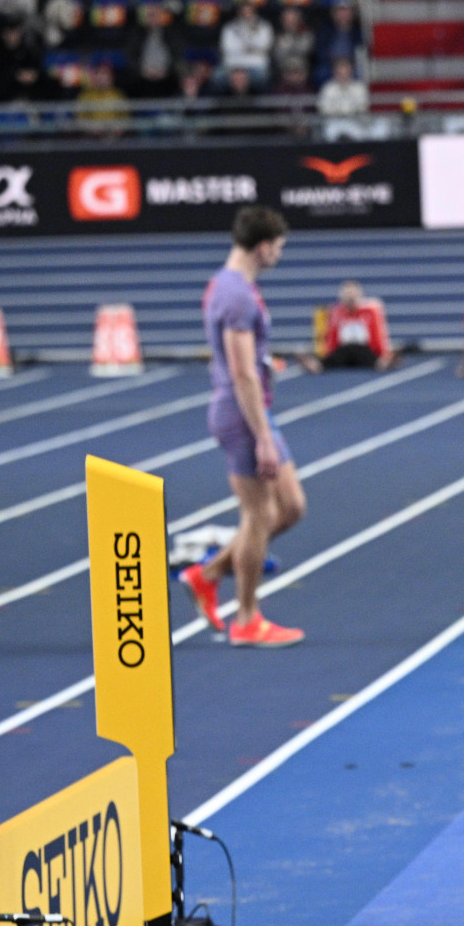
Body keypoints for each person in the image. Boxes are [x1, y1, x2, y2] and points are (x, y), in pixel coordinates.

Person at [179, 207, 307, 649]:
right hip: (242, 414)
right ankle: (247, 619)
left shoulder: (231, 285)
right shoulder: (236, 295)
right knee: (259, 515)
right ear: (263, 247)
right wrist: (263, 437)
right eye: (279, 247)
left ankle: (209, 573)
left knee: (291, 507)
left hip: (254, 410)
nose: (280, 255)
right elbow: (242, 372)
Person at [314, 280, 392, 370]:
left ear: (359, 295)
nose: (350, 299)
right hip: (344, 351)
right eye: (347, 295)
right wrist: (329, 353)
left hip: (364, 350)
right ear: (341, 297)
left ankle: (381, 363)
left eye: (352, 295)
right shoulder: (336, 312)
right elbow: (332, 337)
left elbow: (378, 334)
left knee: (365, 354)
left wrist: (383, 354)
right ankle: (319, 365)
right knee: (340, 353)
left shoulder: (370, 311)